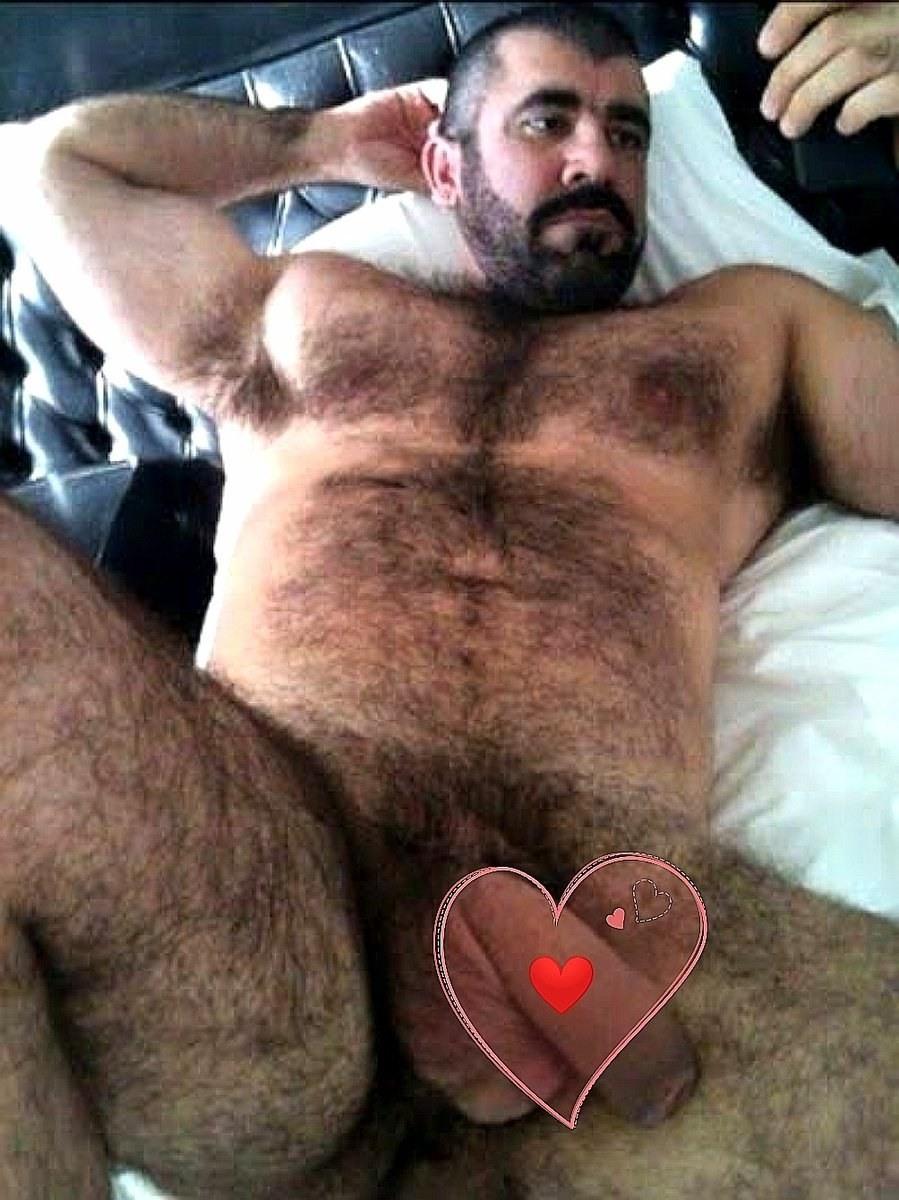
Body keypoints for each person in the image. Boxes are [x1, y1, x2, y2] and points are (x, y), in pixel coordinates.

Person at [0, 4, 896, 1198]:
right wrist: (316, 144)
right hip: (275, 916)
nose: (595, 161)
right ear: (442, 164)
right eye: (545, 121)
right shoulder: (306, 312)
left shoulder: (745, 330)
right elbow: (59, 165)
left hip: (631, 960)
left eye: (628, 133)